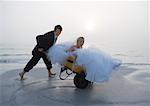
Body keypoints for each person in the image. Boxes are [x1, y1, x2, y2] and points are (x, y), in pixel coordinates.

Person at [48, 36, 121, 83]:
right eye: (80, 41)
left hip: (81, 63)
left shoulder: (81, 49)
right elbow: (67, 53)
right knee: (92, 56)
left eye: (83, 42)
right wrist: (73, 53)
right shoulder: (73, 47)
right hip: (75, 64)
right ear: (77, 41)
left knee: (95, 57)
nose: (82, 43)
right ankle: (108, 65)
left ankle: (110, 64)